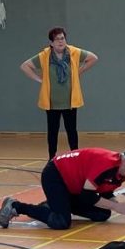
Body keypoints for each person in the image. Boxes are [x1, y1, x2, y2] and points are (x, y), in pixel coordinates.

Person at [0, 146, 125, 230]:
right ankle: (15, 206)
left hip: (75, 186)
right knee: (61, 222)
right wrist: (117, 207)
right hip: (56, 175)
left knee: (102, 214)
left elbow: (106, 192)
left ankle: (54, 205)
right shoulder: (107, 164)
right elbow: (88, 197)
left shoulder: (120, 172)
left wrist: (120, 206)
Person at [20, 26, 99, 159]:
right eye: (57, 39)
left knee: (72, 131)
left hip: (70, 101)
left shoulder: (74, 52)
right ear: (51, 43)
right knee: (52, 132)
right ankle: (52, 158)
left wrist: (79, 71)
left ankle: (76, 158)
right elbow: (25, 66)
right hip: (52, 102)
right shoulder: (45, 56)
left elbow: (93, 58)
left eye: (62, 38)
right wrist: (40, 80)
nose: (60, 41)